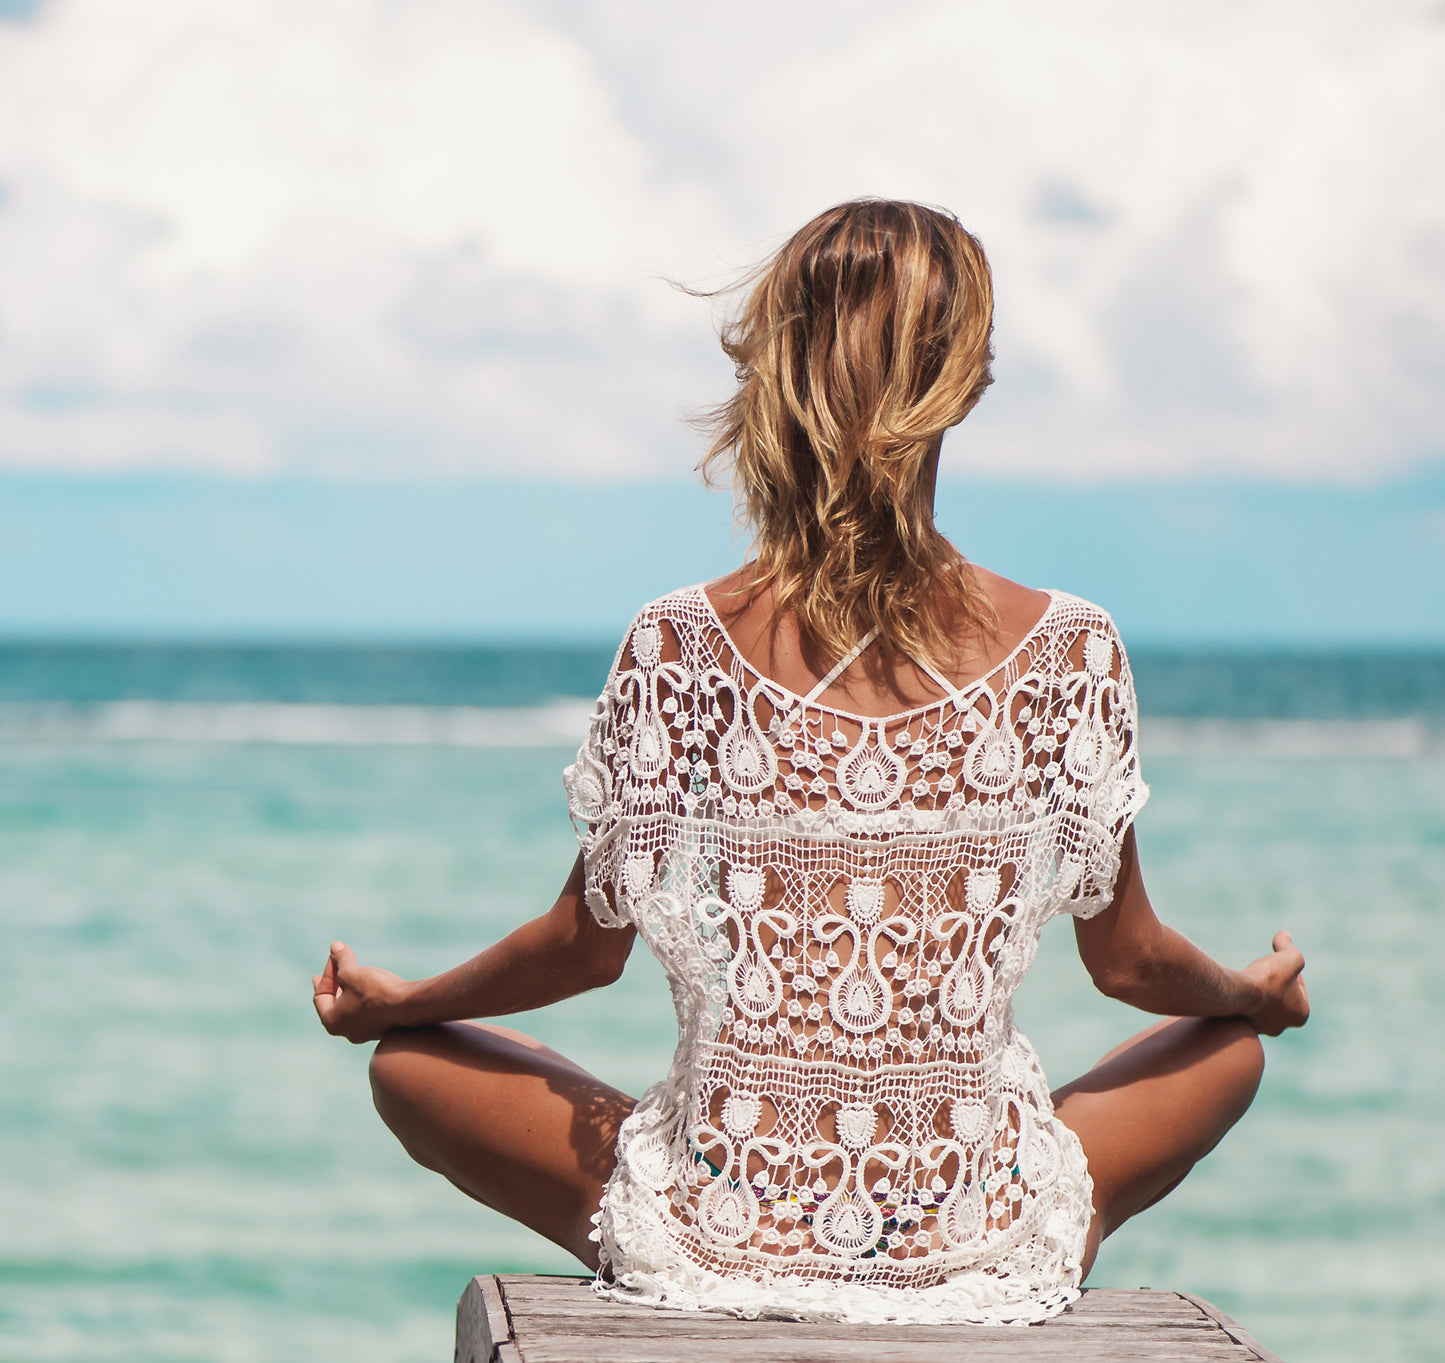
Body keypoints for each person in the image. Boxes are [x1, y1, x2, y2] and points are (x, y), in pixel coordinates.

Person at [312, 199, 1309, 1324]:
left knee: (409, 1065)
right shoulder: (1069, 648)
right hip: (966, 1228)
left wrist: (406, 1000)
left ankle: (749, 1232)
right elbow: (1129, 965)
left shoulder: (678, 640)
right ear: (965, 383)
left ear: (773, 370)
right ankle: (974, 1242)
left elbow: (580, 953)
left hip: (724, 1227)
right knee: (1225, 1050)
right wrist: (1248, 992)